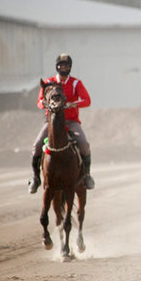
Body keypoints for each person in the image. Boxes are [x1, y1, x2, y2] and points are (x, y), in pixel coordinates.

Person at [27, 54, 95, 194]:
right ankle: (35, 178)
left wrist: (72, 104)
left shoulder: (76, 83)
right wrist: (47, 104)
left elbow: (87, 100)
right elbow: (39, 102)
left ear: (70, 67)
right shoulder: (49, 82)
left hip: (71, 122)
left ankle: (87, 175)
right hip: (52, 122)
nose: (64, 67)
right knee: (37, 145)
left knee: (83, 144)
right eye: (61, 65)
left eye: (66, 65)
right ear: (57, 67)